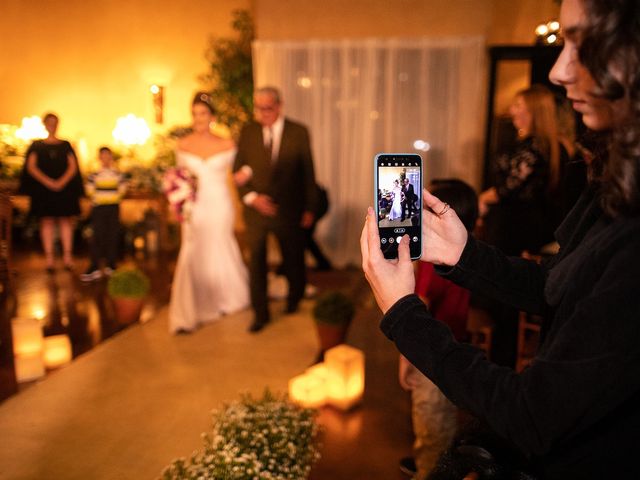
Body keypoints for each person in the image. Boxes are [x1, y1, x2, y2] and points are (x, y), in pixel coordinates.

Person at [361, 0, 640, 477]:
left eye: (584, 43)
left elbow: (530, 414)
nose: (558, 70)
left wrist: (405, 315)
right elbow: (554, 287)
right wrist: (463, 254)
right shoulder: (619, 180)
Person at [398, 179, 478, 480]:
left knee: (431, 421)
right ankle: (432, 462)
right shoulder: (468, 245)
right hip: (457, 342)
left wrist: (406, 358)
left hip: (433, 353)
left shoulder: (434, 259)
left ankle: (430, 469)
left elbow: (419, 307)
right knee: (443, 419)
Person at [233, 86, 318, 333]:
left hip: (289, 209)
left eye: (268, 108)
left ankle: (294, 299)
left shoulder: (298, 131)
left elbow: (308, 172)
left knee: (293, 258)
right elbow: (237, 172)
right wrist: (251, 198)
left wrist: (310, 208)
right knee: (257, 263)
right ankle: (260, 314)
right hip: (256, 212)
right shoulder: (248, 132)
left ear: (279, 106)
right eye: (259, 108)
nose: (263, 113)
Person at [168, 92, 251, 334]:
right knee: (193, 249)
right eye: (195, 114)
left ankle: (227, 297)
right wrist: (178, 199)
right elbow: (178, 178)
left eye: (203, 113)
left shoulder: (227, 144)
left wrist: (247, 174)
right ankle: (192, 307)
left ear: (212, 116)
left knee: (219, 244)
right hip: (194, 206)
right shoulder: (183, 145)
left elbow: (242, 168)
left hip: (219, 203)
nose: (198, 118)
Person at [479, 84, 570, 256]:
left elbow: (509, 187)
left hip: (517, 227)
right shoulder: (540, 143)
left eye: (518, 105)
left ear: (533, 111)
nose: (511, 110)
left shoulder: (535, 146)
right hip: (522, 224)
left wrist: (482, 198)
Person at [18, 113, 84, 273]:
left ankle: (68, 258)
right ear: (44, 124)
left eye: (55, 122)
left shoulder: (66, 144)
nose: (52, 125)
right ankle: (49, 260)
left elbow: (73, 166)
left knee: (65, 221)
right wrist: (48, 182)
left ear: (58, 124)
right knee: (46, 222)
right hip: (43, 191)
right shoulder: (36, 145)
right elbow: (31, 167)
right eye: (49, 122)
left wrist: (61, 182)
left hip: (64, 190)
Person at [80, 147, 127, 281]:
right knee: (97, 236)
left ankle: (111, 265)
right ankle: (95, 266)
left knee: (112, 235)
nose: (105, 158)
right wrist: (101, 198)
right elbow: (89, 191)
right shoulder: (93, 175)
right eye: (103, 156)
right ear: (99, 158)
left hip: (113, 208)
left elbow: (122, 189)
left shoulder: (118, 175)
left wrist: (112, 198)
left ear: (111, 158)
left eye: (108, 155)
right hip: (99, 208)